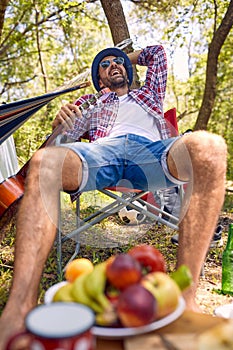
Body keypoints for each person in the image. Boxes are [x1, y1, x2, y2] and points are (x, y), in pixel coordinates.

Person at [0, 44, 227, 348]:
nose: (113, 65)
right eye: (104, 66)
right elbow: (61, 142)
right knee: (45, 161)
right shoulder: (91, 102)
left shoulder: (149, 94)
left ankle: (185, 300)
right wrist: (60, 123)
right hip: (101, 152)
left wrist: (119, 58)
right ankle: (18, 308)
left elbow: (158, 53)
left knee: (209, 147)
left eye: (117, 63)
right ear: (99, 79)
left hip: (152, 153)